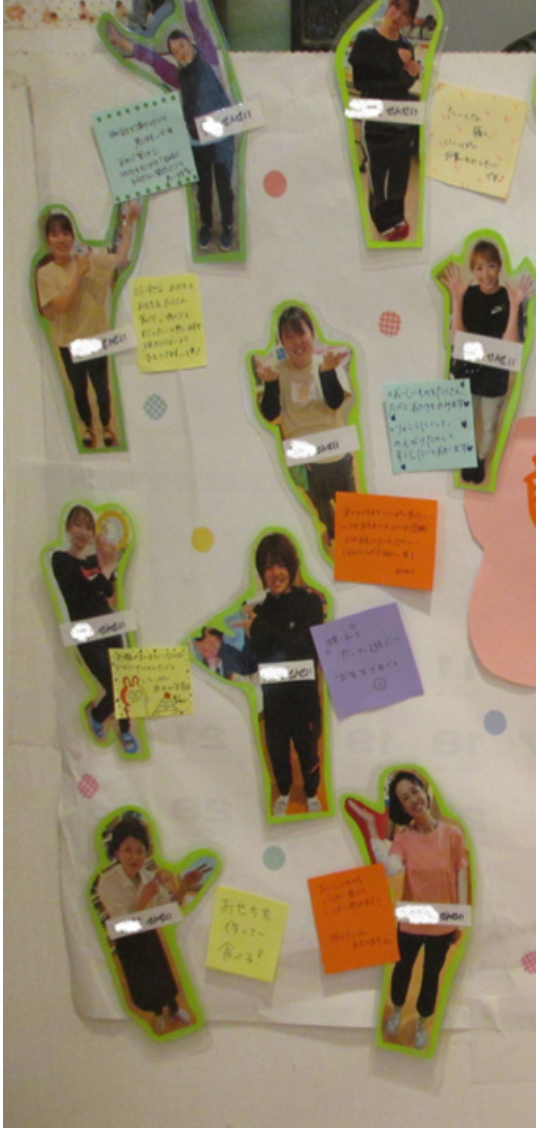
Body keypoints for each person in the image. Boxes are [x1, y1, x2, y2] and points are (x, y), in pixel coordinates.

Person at [347, 770, 471, 1052]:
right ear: (402, 807)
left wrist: (461, 921)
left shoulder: (453, 835)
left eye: (414, 791)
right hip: (413, 916)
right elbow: (390, 869)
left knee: (431, 976)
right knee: (402, 970)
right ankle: (396, 1010)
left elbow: (461, 876)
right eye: (405, 798)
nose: (413, 799)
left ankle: (422, 1022)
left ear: (424, 791)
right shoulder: (404, 838)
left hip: (443, 918)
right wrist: (371, 828)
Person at [104, 2, 239, 253]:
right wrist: (120, 41)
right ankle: (206, 226)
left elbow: (197, 23)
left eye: (182, 46)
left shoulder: (209, 58)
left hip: (222, 137)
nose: (181, 53)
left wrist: (189, 4)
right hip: (197, 140)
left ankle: (228, 227)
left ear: (191, 43)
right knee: (203, 189)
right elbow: (152, 60)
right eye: (175, 52)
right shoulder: (176, 76)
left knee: (224, 185)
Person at [252, 306, 359, 552]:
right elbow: (271, 414)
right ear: (281, 342)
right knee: (322, 509)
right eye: (289, 337)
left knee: (351, 509)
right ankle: (335, 540)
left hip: (336, 453)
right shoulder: (278, 371)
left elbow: (335, 402)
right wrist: (270, 384)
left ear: (312, 333)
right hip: (304, 458)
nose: (297, 342)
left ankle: (355, 550)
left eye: (301, 334)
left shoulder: (327, 362)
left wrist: (328, 373)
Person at [93, 811, 211, 1035]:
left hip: (149, 936)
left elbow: (170, 908)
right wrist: (144, 898)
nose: (134, 856)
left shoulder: (147, 876)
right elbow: (123, 924)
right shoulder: (107, 881)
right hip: (128, 942)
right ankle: (157, 1014)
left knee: (163, 975)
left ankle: (174, 1008)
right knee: (143, 983)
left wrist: (184, 886)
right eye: (128, 850)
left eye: (140, 850)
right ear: (116, 852)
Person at [35, 203, 140, 450]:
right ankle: (86, 428)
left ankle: (106, 426)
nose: (61, 239)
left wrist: (130, 223)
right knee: (79, 390)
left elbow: (120, 258)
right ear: (48, 240)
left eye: (65, 233)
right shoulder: (46, 273)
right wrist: (78, 273)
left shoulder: (89, 260)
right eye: (54, 234)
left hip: (96, 338)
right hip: (69, 342)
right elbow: (63, 305)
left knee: (102, 390)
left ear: (73, 237)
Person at [438, 240, 536, 485]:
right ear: (473, 271)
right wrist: (457, 299)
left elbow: (510, 346)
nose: (486, 274)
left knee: (490, 424)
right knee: (466, 419)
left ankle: (480, 459)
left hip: (494, 376)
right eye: (479, 268)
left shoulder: (508, 297)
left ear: (499, 266)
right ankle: (468, 457)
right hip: (467, 372)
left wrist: (515, 306)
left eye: (491, 266)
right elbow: (456, 340)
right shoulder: (468, 295)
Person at [243, 532, 326, 817]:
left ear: (291, 566)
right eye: (268, 567)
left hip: (305, 700)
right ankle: (285, 791)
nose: (275, 573)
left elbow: (306, 647)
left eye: (280, 564)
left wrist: (261, 630)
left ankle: (312, 792)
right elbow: (259, 657)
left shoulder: (310, 603)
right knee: (277, 751)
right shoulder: (259, 611)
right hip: (274, 701)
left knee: (308, 751)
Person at [50, 505, 139, 756]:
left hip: (109, 624)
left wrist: (106, 562)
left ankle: (125, 729)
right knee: (113, 685)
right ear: (68, 528)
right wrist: (107, 568)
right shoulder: (60, 560)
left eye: (89, 527)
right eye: (78, 524)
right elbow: (83, 594)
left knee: (125, 680)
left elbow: (107, 591)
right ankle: (98, 716)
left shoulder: (92, 561)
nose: (84, 531)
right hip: (83, 630)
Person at [348, 0, 422, 241]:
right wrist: (400, 73)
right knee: (378, 172)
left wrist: (412, 72)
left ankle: (397, 216)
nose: (398, 15)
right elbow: (361, 82)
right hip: (374, 116)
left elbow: (405, 85)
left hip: (400, 117)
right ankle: (381, 221)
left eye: (405, 14)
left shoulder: (406, 46)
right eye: (396, 6)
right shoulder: (366, 39)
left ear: (409, 20)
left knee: (400, 171)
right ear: (389, 4)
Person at [192, 626, 256, 682]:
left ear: (221, 640)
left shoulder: (233, 660)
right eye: (204, 642)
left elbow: (260, 674)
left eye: (211, 642)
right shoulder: (197, 670)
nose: (207, 646)